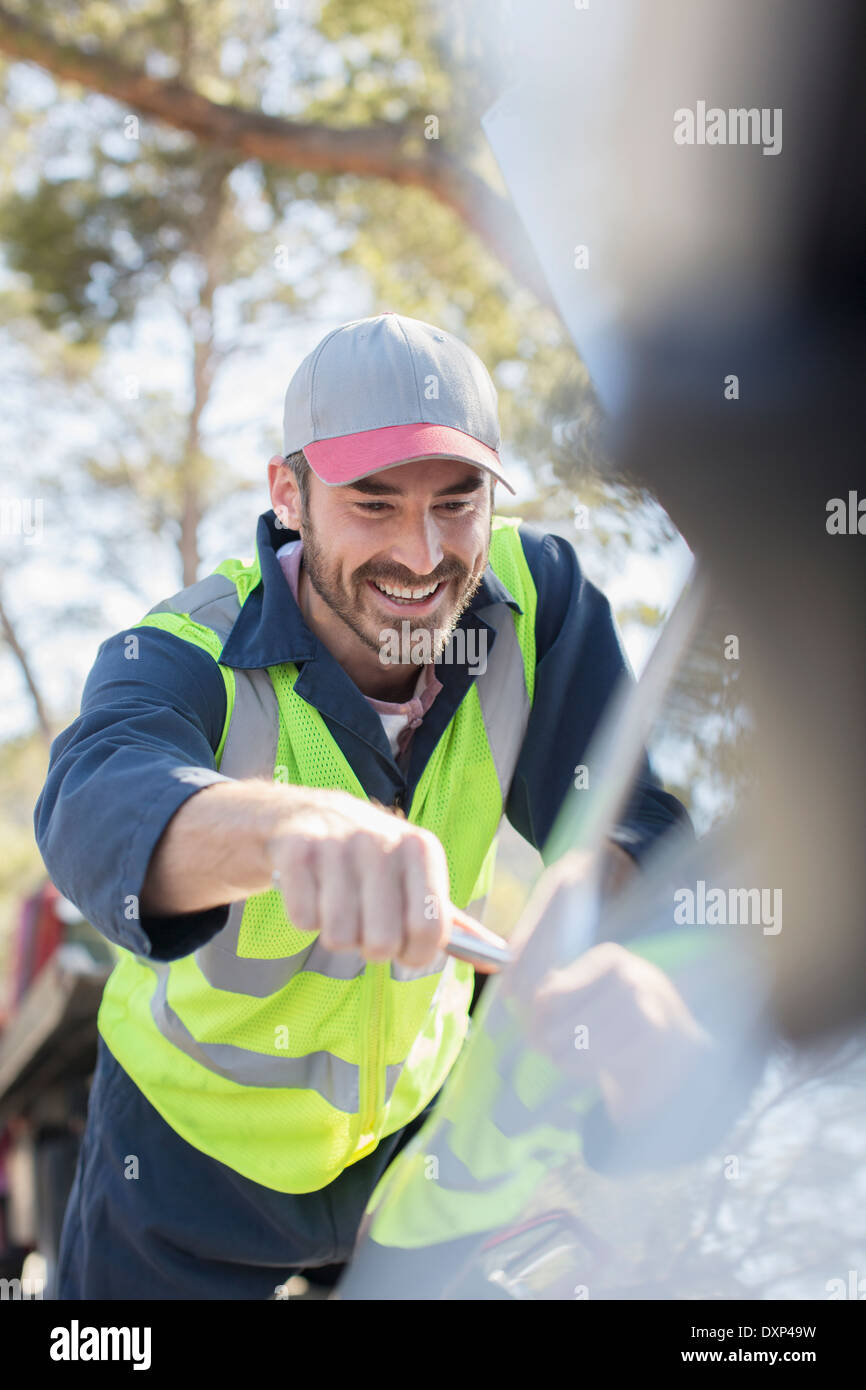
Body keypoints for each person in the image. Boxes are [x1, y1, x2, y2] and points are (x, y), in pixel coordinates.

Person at [34, 311, 695, 1300]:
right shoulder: (182, 646)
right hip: (184, 1165)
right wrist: (288, 828)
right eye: (373, 505)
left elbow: (633, 817)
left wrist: (594, 908)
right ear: (288, 495)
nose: (422, 558)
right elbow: (93, 795)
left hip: (413, 1145)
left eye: (456, 503)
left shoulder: (534, 602)